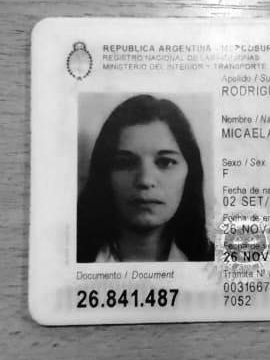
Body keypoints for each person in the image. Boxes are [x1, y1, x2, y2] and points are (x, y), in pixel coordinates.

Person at [77, 94, 213, 262]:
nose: (145, 180)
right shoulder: (71, 257)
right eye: (125, 163)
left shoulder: (216, 261)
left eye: (165, 162)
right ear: (104, 173)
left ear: (190, 172)